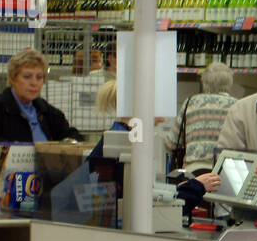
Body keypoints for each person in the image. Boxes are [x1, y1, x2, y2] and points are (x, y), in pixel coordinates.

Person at [91, 81, 221, 217]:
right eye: (158, 110)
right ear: (141, 106)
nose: (162, 119)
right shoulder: (127, 145)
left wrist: (182, 188)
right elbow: (151, 208)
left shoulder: (122, 138)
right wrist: (197, 186)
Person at [0, 48, 82, 202]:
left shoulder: (49, 112)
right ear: (13, 78)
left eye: (39, 77)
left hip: (42, 195)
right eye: (27, 76)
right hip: (1, 197)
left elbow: (72, 136)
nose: (34, 83)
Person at [164, 61, 238, 175]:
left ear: (204, 81)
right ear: (229, 82)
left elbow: (172, 143)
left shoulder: (190, 102)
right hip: (224, 172)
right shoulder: (237, 106)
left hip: (193, 172)